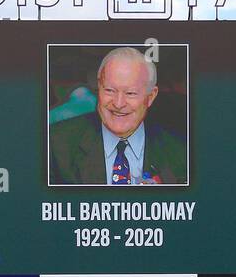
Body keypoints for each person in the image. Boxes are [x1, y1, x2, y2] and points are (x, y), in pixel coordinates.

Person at [49, 47, 187, 185]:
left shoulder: (181, 153)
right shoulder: (55, 145)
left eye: (131, 93)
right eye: (109, 90)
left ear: (150, 97)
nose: (118, 103)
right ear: (99, 88)